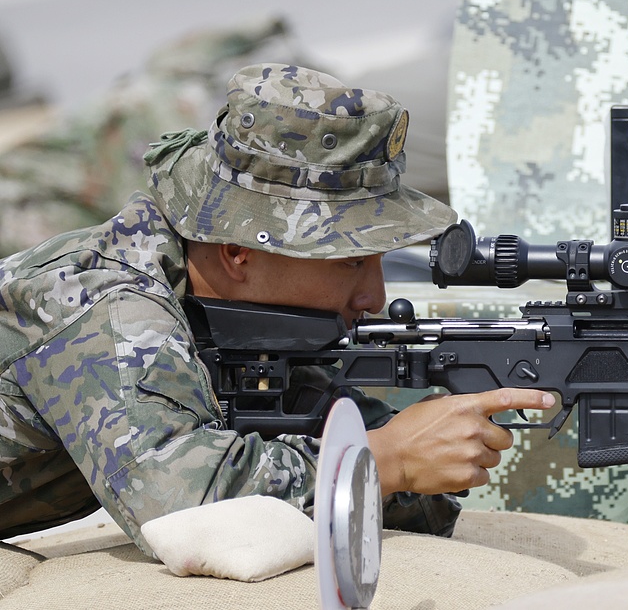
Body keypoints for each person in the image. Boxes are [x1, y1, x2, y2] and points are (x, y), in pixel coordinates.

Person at [0, 62, 554, 554]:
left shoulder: (244, 320)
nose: (375, 298)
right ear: (238, 252)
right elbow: (184, 505)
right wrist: (388, 458)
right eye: (349, 262)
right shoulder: (102, 300)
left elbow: (415, 508)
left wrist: (430, 448)